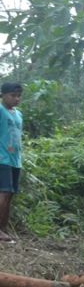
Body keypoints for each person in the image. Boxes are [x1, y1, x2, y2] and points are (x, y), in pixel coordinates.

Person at [0, 82, 24, 243]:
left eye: (19, 96)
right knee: (4, 192)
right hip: (2, 159)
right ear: (3, 95)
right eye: (13, 95)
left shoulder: (18, 114)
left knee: (10, 194)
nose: (16, 99)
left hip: (15, 160)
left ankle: (4, 229)